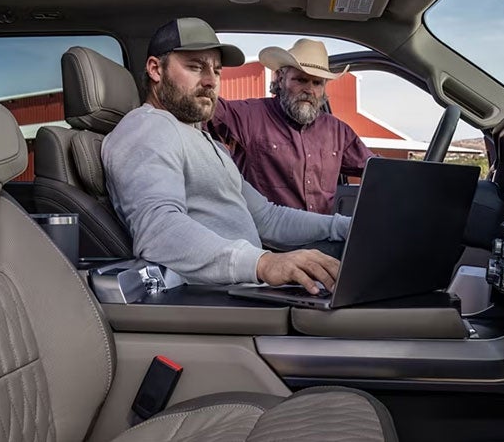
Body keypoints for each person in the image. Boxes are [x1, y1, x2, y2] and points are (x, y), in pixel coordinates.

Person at [102, 18, 349, 294]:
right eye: (195, 67)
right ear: (155, 69)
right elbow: (159, 230)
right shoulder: (147, 127)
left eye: (216, 71)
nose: (210, 81)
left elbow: (268, 218)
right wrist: (263, 263)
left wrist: (345, 227)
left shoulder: (207, 142)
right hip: (215, 305)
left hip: (248, 289)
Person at [207, 38, 375, 214]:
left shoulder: (338, 132)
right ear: (280, 79)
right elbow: (204, 109)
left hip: (321, 237)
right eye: (301, 80)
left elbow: (377, 170)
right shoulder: (249, 116)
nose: (309, 90)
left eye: (317, 83)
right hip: (265, 239)